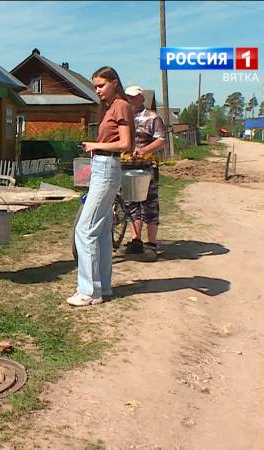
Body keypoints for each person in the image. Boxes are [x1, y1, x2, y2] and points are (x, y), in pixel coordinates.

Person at [67, 67, 134, 307]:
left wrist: (96, 145)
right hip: (103, 167)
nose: (97, 90)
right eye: (95, 86)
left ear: (114, 82)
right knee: (102, 231)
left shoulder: (120, 105)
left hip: (106, 168)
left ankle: (88, 290)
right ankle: (103, 287)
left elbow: (126, 143)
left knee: (84, 230)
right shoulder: (111, 108)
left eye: (101, 85)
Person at [120, 85, 166, 259]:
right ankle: (135, 241)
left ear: (141, 98)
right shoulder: (125, 117)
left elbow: (161, 140)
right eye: (128, 97)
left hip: (146, 167)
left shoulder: (152, 117)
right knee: (131, 204)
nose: (130, 100)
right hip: (126, 165)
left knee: (149, 204)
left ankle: (152, 243)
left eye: (133, 97)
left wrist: (144, 150)